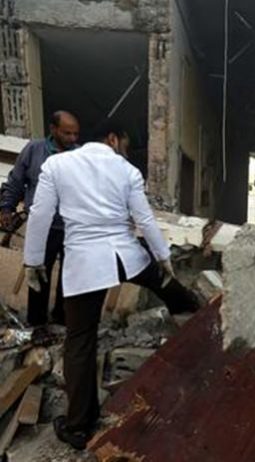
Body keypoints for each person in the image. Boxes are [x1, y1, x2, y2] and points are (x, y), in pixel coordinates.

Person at [24, 120, 198, 450]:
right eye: (125, 145)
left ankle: (79, 427)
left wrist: (33, 261)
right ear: (113, 139)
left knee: (80, 341)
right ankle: (195, 313)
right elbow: (144, 219)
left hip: (85, 264)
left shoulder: (57, 165)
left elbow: (40, 215)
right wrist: (163, 256)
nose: (125, 151)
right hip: (125, 256)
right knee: (163, 281)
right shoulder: (127, 170)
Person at [0, 111, 80, 327]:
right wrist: (6, 208)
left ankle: (62, 320)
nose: (72, 138)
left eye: (75, 134)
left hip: (72, 227)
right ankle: (37, 324)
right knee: (37, 274)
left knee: (70, 278)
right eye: (67, 133)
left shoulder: (80, 155)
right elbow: (16, 181)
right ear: (53, 129)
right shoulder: (34, 150)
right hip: (42, 228)